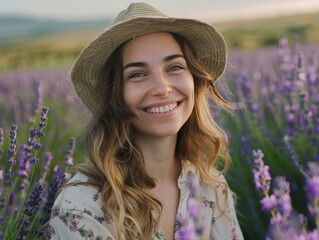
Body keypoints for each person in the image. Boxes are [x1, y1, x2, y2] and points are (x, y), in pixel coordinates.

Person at [47, 2, 244, 240]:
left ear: (194, 80)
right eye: (137, 74)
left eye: (174, 67)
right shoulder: (82, 206)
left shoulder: (211, 186)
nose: (162, 88)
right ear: (115, 94)